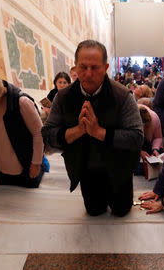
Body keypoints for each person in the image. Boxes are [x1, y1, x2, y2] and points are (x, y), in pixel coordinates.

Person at [42, 40, 143, 217]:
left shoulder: (122, 96)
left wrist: (99, 132)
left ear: (106, 67)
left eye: (95, 68)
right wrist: (78, 130)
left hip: (119, 169)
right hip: (87, 170)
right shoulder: (63, 97)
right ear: (75, 67)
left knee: (121, 211)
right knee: (94, 212)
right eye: (83, 67)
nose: (88, 74)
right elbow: (48, 134)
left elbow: (136, 138)